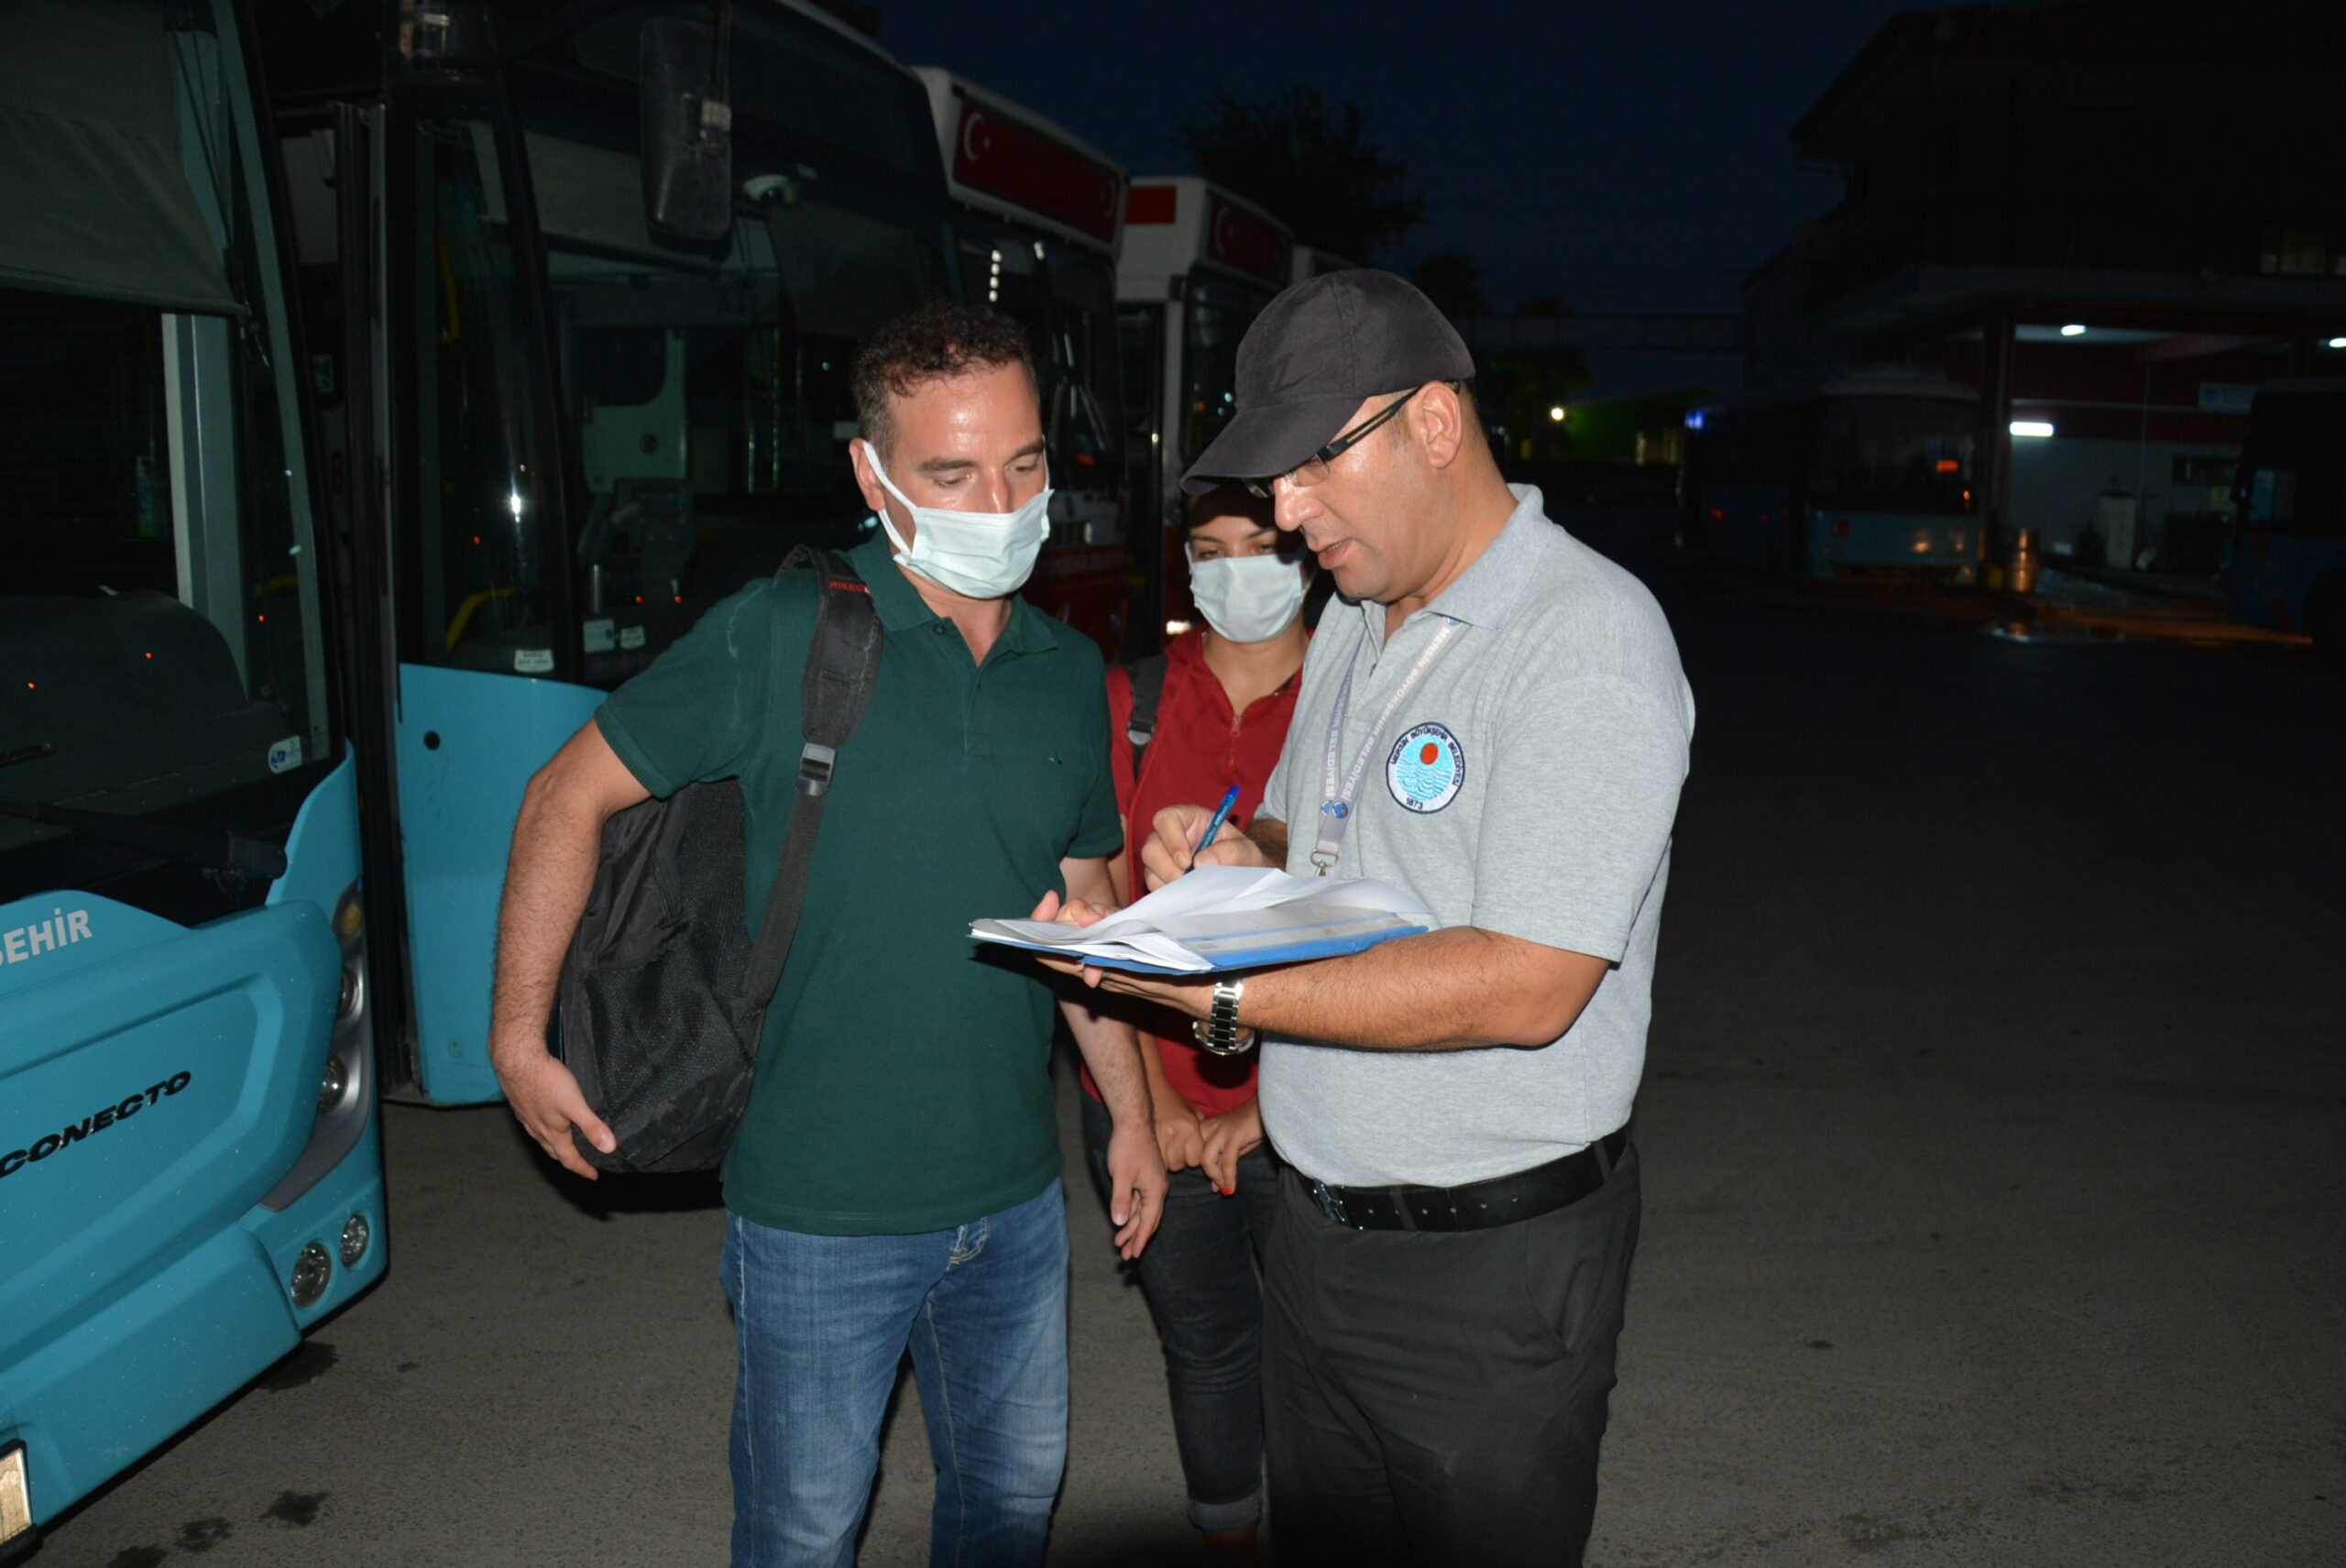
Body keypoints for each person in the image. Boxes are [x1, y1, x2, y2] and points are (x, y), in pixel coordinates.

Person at [487, 300, 1168, 1568]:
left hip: (1016, 1206)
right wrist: (518, 1040)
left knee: (1012, 1509)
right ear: (872, 471)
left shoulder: (1071, 671)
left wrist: (1128, 1114)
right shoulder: (781, 634)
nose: (999, 501)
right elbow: (562, 794)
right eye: (952, 473)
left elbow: (1089, 912)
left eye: (1023, 465)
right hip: (816, 1216)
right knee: (802, 1532)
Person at [1036, 270, 1693, 1567]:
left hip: (1487, 1265)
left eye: (1314, 466)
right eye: (1273, 476)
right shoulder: (1352, 618)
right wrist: (1237, 851)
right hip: (1315, 1232)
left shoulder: (1586, 639)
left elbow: (1528, 980)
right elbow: (1310, 836)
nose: (1286, 512)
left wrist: (1220, 995)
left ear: (1435, 425)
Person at [1078, 481, 1310, 1563]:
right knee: (1208, 1345)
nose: (1234, 574)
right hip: (1143, 1091)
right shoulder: (1126, 701)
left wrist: (1266, 1113)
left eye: (1258, 547)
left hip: (1317, 1096)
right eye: (1209, 552)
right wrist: (1163, 1103)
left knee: (1329, 1355)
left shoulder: (1356, 694)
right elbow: (1102, 916)